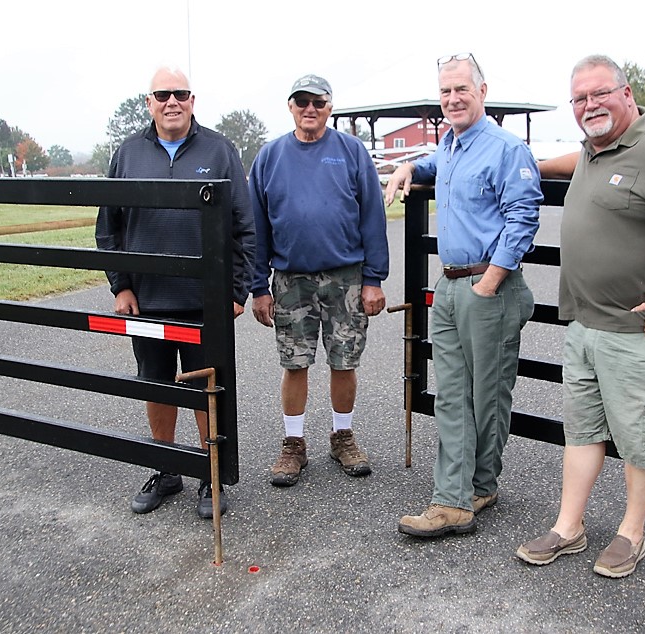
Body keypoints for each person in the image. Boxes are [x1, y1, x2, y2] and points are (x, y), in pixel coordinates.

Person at [515, 54, 645, 577]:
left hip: (640, 333)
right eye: (580, 98)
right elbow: (573, 161)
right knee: (582, 431)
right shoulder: (595, 150)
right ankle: (569, 528)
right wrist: (531, 166)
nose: (591, 105)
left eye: (600, 93)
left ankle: (631, 534)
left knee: (640, 439)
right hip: (586, 325)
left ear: (627, 93)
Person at [385, 53, 542, 538]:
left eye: (461, 90)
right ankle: (455, 497)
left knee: (487, 395)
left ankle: (478, 485)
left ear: (482, 91)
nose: (452, 99)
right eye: (445, 92)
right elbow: (434, 164)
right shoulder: (450, 147)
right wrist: (408, 166)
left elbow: (523, 217)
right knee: (452, 397)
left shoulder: (505, 149)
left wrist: (491, 281)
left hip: (486, 286)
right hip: (450, 287)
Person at [95, 66, 255, 519]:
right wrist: (121, 285)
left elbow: (244, 227)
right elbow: (110, 227)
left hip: (206, 301)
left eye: (180, 94)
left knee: (207, 386)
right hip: (148, 300)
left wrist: (237, 290)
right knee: (156, 384)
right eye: (162, 94)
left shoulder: (220, 150)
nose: (172, 101)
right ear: (148, 102)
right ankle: (166, 469)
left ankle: (211, 473)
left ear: (192, 99)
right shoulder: (127, 154)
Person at [249, 74, 389, 488]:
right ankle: (294, 444)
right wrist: (258, 286)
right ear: (290, 106)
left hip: (346, 276)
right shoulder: (270, 156)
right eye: (302, 101)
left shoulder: (351, 152)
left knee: (344, 360)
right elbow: (256, 226)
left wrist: (373, 279)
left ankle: (342, 435)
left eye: (319, 102)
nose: (310, 109)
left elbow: (372, 217)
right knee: (295, 362)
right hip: (291, 279)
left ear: (330, 107)